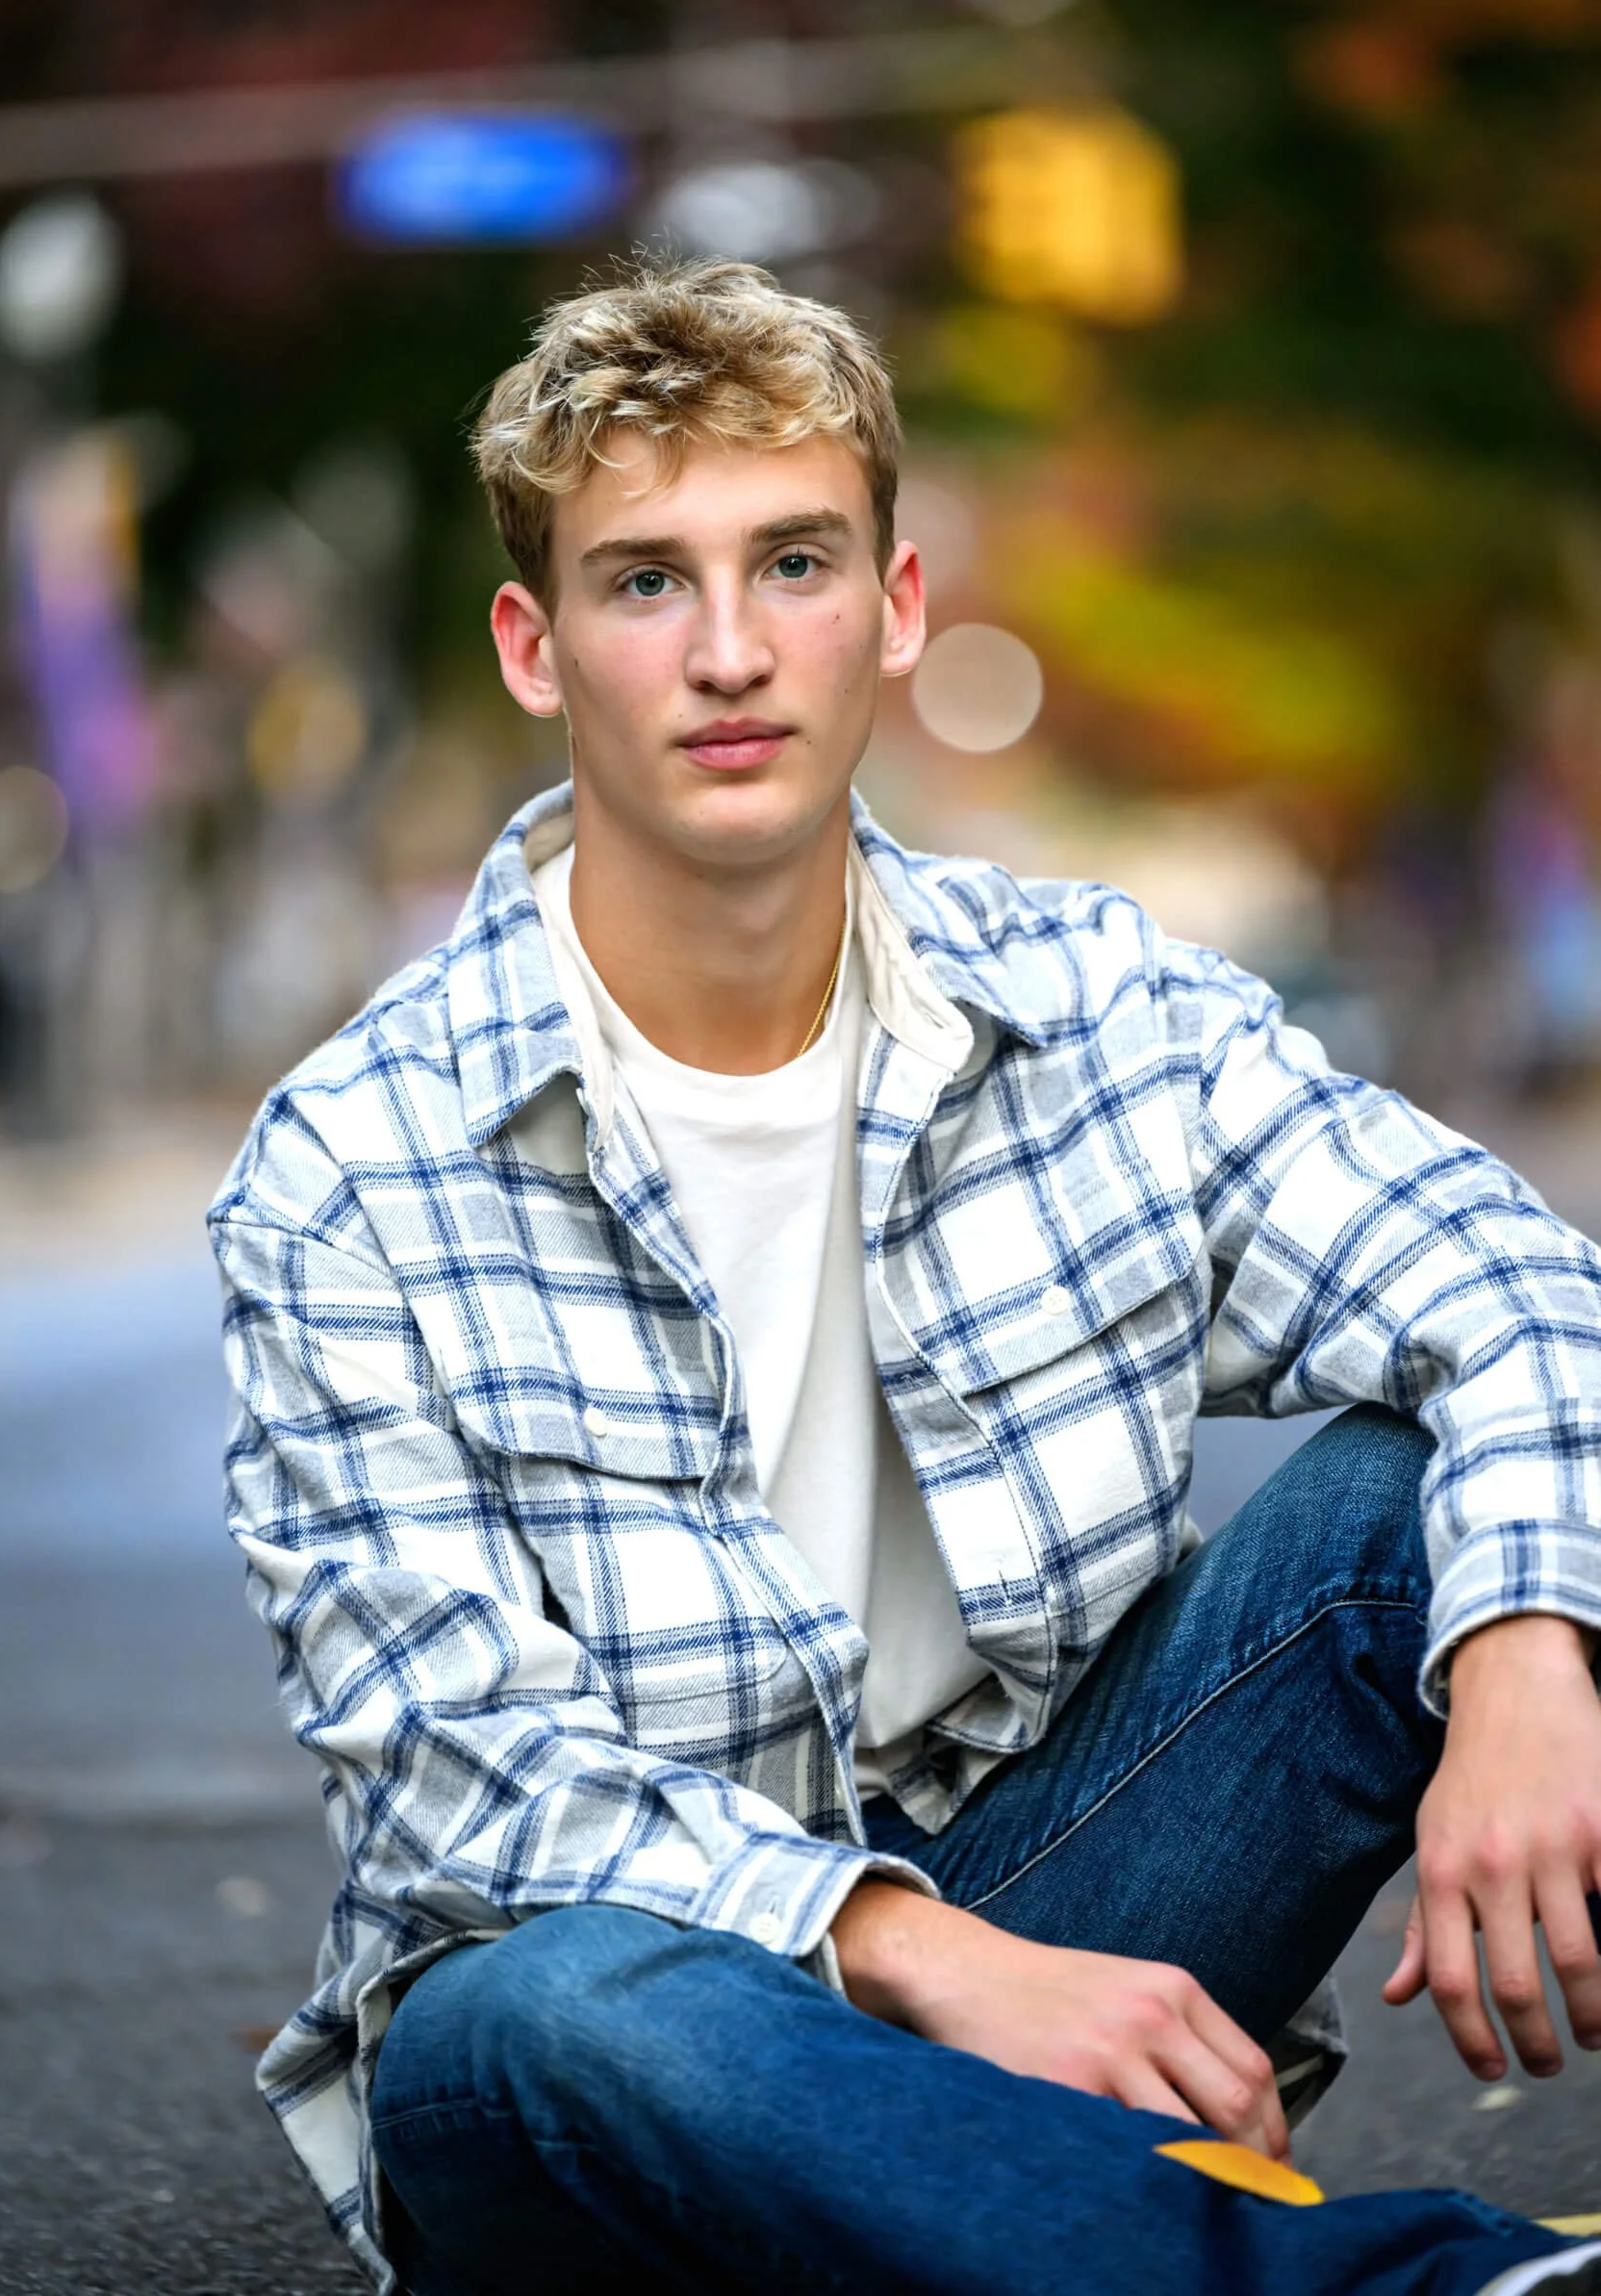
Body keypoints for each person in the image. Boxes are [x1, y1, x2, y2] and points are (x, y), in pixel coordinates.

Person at [211, 259, 1601, 2296]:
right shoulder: (350, 1164)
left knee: (1447, 1506)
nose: (728, 652)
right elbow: (458, 1774)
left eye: (791, 561)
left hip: (1054, 1894)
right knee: (532, 2002)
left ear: (896, 606)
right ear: (534, 643)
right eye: (642, 581)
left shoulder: (1093, 1005)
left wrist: (1526, 1658)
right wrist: (927, 1960)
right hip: (629, 2030)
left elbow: (1503, 1276)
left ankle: (979, 2225)